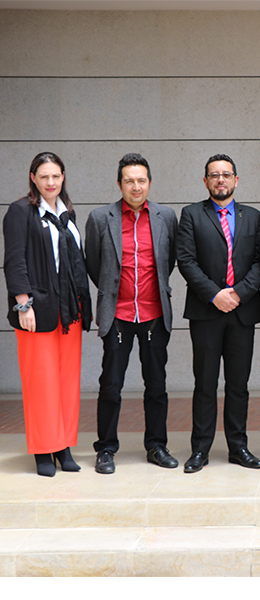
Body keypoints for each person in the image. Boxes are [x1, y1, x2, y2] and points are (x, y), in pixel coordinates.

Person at [85, 153, 179, 474]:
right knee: (111, 384)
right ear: (119, 184)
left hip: (154, 314)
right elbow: (95, 265)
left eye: (141, 180)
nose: (135, 186)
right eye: (129, 181)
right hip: (118, 315)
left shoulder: (166, 217)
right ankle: (106, 448)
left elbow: (170, 261)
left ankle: (156, 445)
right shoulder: (101, 218)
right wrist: (114, 292)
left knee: (156, 385)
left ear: (149, 183)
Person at [3, 152, 92, 477]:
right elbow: (14, 260)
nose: (50, 182)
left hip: (69, 311)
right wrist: (22, 304)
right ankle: (43, 449)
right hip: (36, 312)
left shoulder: (67, 213)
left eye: (55, 176)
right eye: (44, 177)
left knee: (66, 382)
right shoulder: (21, 211)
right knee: (41, 383)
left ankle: (63, 446)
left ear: (63, 177)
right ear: (33, 178)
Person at [176, 154, 260, 473]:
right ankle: (200, 449)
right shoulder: (191, 215)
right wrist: (215, 294)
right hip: (206, 311)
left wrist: (238, 293)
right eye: (214, 175)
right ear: (205, 181)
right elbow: (186, 261)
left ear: (236, 180)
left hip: (242, 311)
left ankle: (238, 447)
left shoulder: (254, 217)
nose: (221, 180)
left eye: (226, 175)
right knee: (205, 383)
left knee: (238, 384)